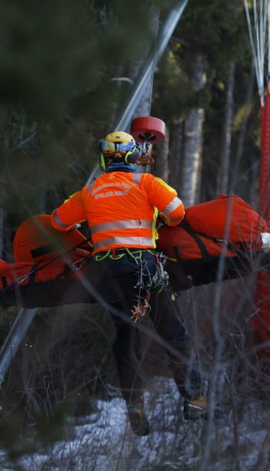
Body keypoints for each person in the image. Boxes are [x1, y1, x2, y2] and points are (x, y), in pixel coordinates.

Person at [50, 130, 206, 436]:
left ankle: (135, 409)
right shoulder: (146, 182)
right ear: (133, 157)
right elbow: (177, 213)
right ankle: (195, 403)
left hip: (108, 276)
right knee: (173, 334)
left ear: (104, 158)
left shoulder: (90, 191)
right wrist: (154, 217)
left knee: (126, 339)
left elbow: (58, 222)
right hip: (143, 270)